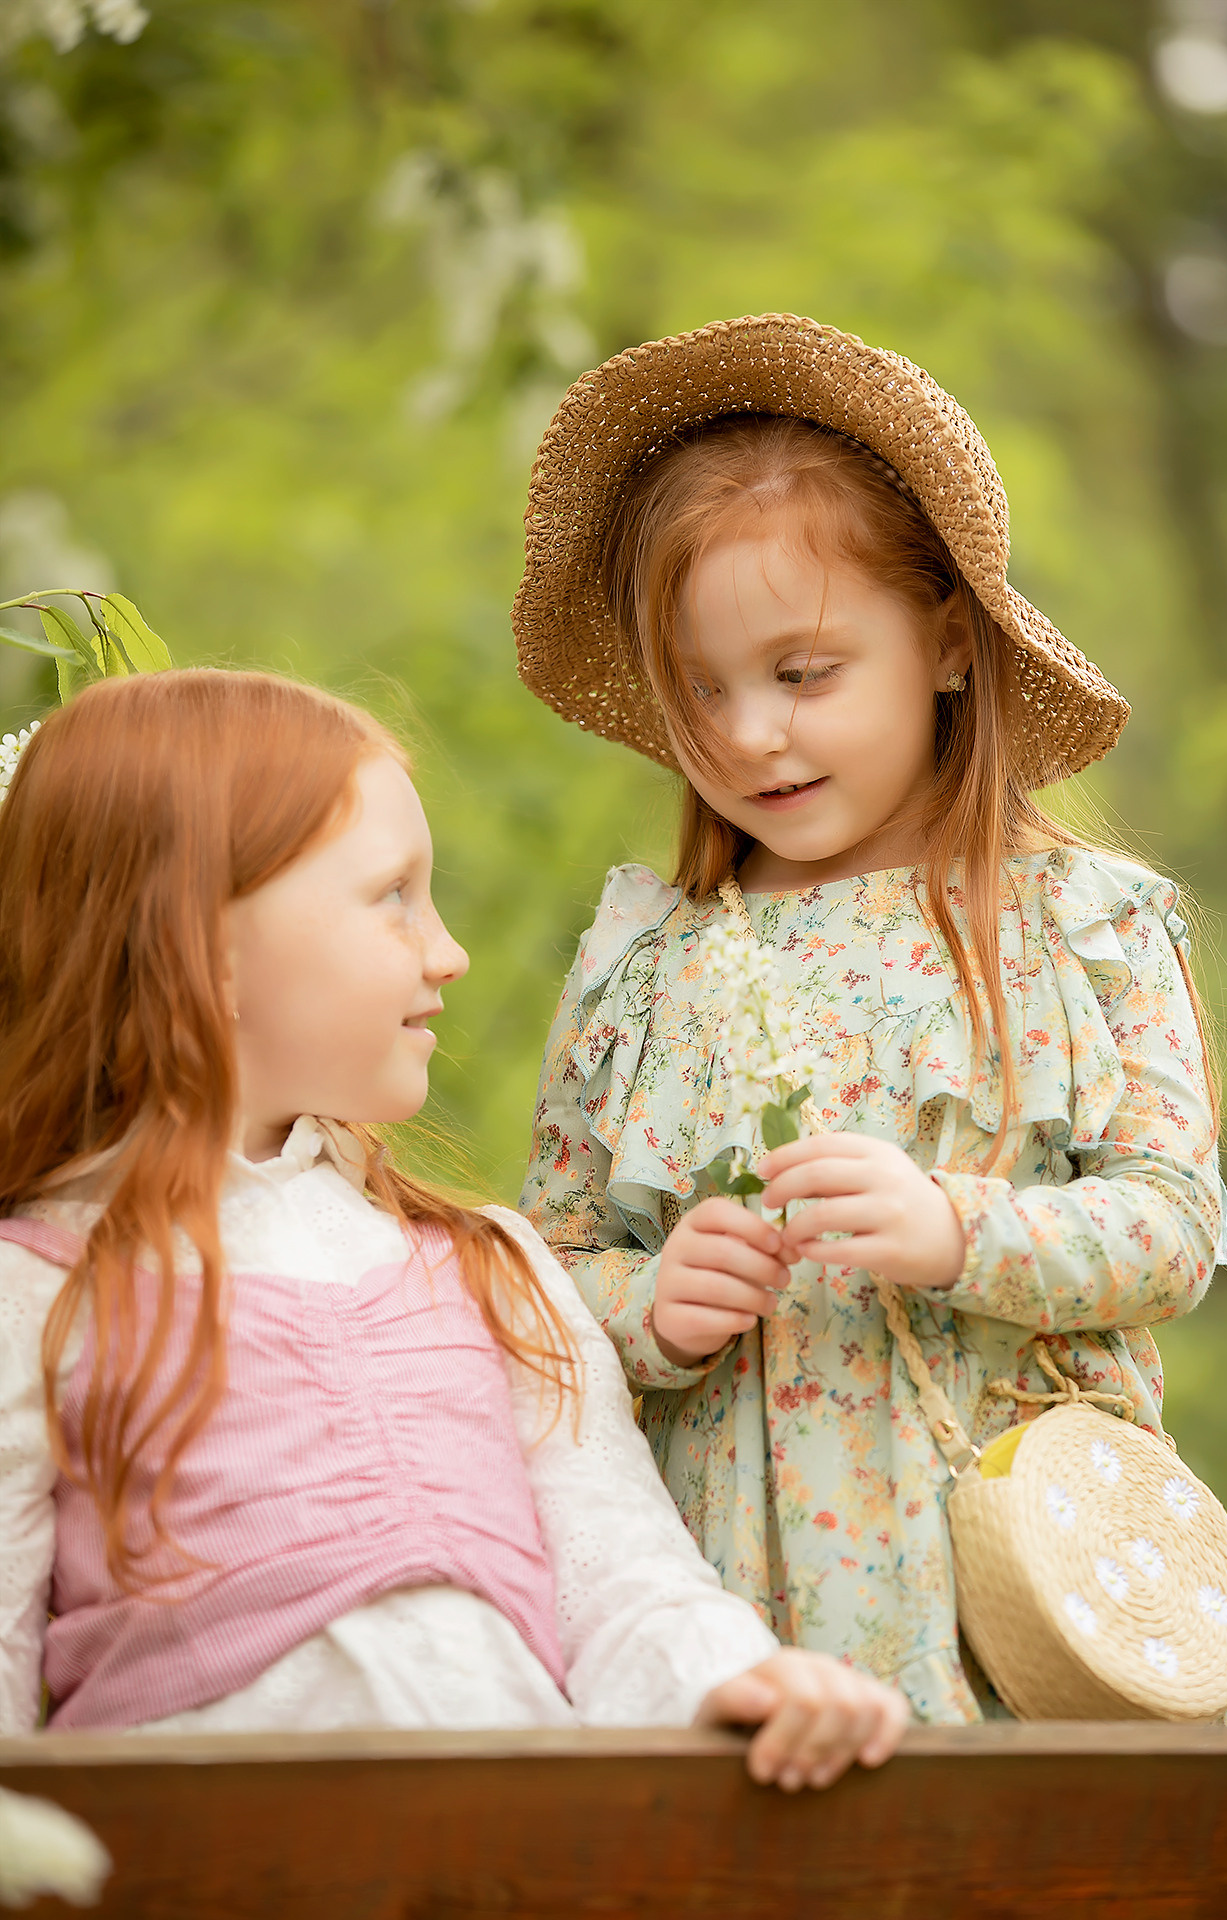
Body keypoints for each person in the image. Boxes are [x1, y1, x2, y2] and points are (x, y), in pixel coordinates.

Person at [0, 668, 907, 1787]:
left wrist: (730, 1675)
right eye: (392, 896)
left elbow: (616, 1573)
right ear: (204, 946)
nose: (447, 952)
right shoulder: (33, 1295)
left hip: (520, 1863)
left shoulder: (489, 1270)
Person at [517, 314, 1227, 1723]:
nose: (747, 737)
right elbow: (545, 1267)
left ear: (949, 646)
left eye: (802, 674)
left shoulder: (1075, 925)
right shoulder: (649, 967)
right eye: (702, 691)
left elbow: (1172, 1226)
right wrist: (648, 1306)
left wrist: (962, 1228)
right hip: (731, 1608)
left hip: (1018, 1588)